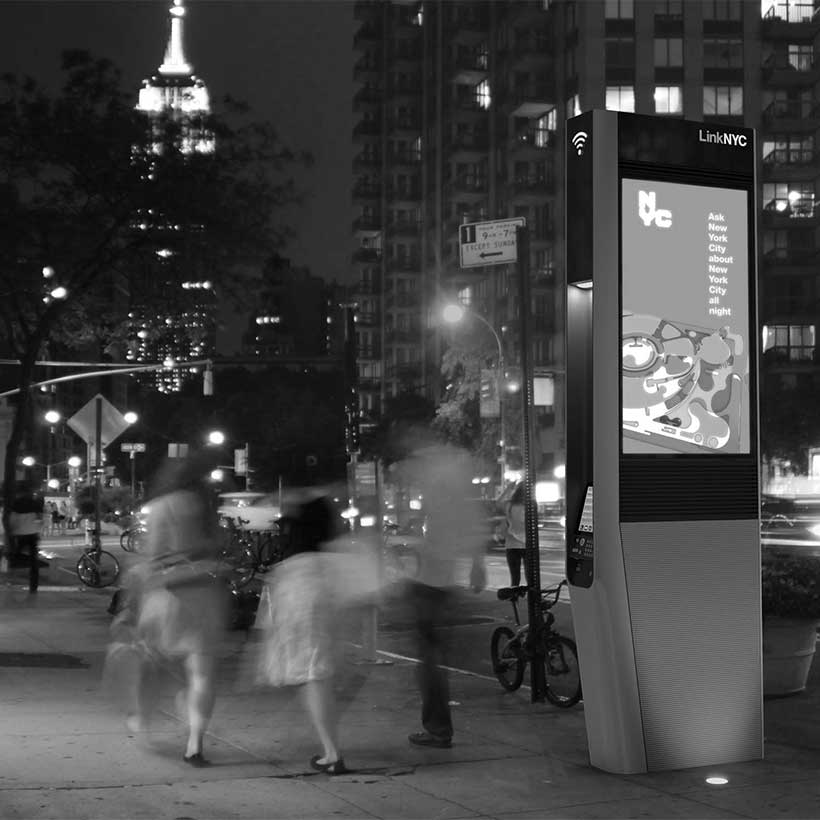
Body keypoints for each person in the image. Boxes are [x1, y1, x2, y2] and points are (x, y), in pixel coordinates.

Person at [123, 448, 227, 766]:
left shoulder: (160, 507)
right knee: (201, 674)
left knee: (150, 664)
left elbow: (151, 557)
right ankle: (195, 744)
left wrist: (131, 600)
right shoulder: (208, 509)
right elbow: (222, 548)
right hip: (206, 596)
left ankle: (143, 722)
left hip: (168, 596)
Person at [253, 489, 350, 774]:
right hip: (316, 588)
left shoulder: (297, 543)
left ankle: (332, 754)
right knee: (314, 675)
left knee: (311, 675)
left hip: (300, 592)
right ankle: (329, 748)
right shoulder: (322, 534)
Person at [400, 438, 486, 749]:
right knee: (432, 656)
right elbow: (470, 523)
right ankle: (438, 727)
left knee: (430, 658)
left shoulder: (441, 485)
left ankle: (437, 728)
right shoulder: (455, 484)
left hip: (431, 583)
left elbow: (448, 531)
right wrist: (477, 564)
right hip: (438, 581)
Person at [9, 484, 45, 593]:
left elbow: (13, 519)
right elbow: (40, 518)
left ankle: (12, 577)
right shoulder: (35, 503)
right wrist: (38, 529)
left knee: (16, 555)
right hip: (33, 533)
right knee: (34, 560)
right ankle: (33, 585)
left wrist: (13, 530)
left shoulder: (16, 503)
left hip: (20, 533)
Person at [504, 482, 526, 587]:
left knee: (515, 578)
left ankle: (514, 600)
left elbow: (498, 503)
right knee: (531, 578)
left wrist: (508, 489)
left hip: (511, 544)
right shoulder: (530, 505)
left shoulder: (509, 505)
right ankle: (534, 600)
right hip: (527, 544)